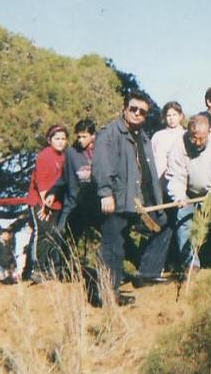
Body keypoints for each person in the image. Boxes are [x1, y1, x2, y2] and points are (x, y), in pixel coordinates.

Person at [93, 92, 173, 304]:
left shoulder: (143, 137)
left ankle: (147, 274)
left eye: (143, 112)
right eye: (133, 109)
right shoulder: (109, 133)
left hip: (140, 201)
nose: (137, 114)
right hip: (117, 200)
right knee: (112, 247)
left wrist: (155, 202)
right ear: (124, 109)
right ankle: (108, 295)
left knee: (164, 224)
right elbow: (101, 166)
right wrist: (105, 194)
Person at [167, 115, 211, 271]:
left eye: (202, 139)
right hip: (190, 193)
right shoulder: (179, 145)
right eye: (194, 139)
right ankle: (190, 264)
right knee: (183, 218)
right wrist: (179, 195)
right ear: (188, 133)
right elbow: (176, 176)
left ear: (209, 132)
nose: (198, 143)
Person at [24, 124, 68, 282]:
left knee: (56, 234)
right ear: (50, 140)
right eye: (57, 138)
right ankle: (38, 269)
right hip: (40, 201)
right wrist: (45, 206)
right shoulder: (43, 156)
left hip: (57, 202)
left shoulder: (65, 157)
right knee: (42, 233)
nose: (60, 142)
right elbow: (41, 184)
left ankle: (54, 268)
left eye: (63, 138)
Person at [52, 119, 99, 234]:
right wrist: (52, 192)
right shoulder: (71, 153)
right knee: (61, 236)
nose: (80, 140)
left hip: (97, 204)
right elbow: (64, 178)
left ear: (92, 136)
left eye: (84, 137)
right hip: (74, 205)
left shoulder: (102, 151)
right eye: (78, 137)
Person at [151, 101, 186, 192]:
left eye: (174, 115)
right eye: (168, 115)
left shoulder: (186, 135)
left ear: (180, 116)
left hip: (180, 183)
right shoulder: (157, 136)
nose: (171, 118)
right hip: (159, 183)